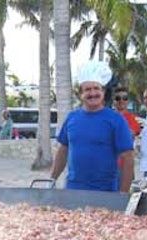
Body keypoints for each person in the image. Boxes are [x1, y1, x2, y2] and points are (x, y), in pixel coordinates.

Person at [50, 60, 134, 193]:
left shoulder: (116, 120)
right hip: (73, 190)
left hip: (106, 192)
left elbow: (128, 157)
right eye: (87, 89)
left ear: (103, 91)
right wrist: (52, 180)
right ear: (80, 93)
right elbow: (63, 150)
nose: (92, 93)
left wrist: (123, 195)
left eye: (96, 88)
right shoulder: (72, 118)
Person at [112, 87, 141, 179]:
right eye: (117, 98)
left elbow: (127, 135)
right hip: (107, 165)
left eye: (124, 98)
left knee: (126, 193)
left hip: (125, 166)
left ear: (128, 101)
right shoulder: (107, 117)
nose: (121, 101)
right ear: (113, 101)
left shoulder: (133, 119)